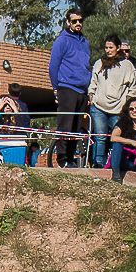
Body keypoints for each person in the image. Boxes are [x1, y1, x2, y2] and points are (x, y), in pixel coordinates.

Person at [87, 34, 136, 168]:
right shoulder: (99, 63)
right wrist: (91, 97)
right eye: (106, 47)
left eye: (111, 47)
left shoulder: (126, 65)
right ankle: (98, 164)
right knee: (100, 137)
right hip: (99, 107)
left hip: (118, 110)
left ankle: (118, 163)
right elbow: (93, 83)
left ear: (118, 48)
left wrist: (128, 105)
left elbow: (134, 88)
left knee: (118, 138)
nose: (108, 50)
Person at [48, 9, 91, 167]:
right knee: (65, 124)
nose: (78, 23)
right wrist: (55, 87)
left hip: (82, 90)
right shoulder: (62, 40)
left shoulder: (85, 42)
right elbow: (53, 66)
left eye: (80, 20)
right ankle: (62, 158)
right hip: (66, 87)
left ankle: (71, 158)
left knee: (77, 126)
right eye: (74, 21)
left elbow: (86, 65)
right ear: (68, 22)